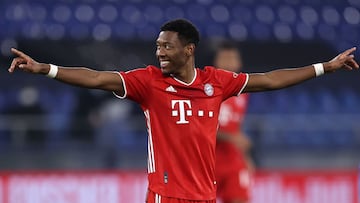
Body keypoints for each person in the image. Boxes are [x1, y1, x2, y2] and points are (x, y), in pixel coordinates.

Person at [7, 19, 358, 203]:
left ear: (188, 50)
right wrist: (45, 69)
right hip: (166, 195)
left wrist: (324, 67)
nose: (159, 52)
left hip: (204, 195)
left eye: (166, 46)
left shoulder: (216, 82)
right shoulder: (147, 82)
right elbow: (98, 78)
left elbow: (268, 80)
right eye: (158, 45)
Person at [214, 42, 254, 203]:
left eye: (232, 58)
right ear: (217, 62)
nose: (229, 63)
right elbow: (199, 127)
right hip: (208, 160)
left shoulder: (243, 93)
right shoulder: (207, 89)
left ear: (239, 63)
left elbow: (235, 126)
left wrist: (245, 157)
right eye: (225, 58)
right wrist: (231, 138)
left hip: (233, 161)